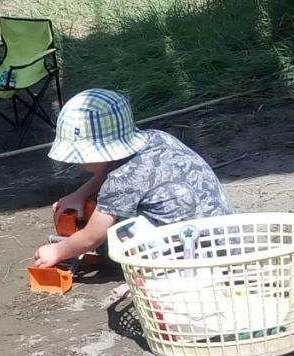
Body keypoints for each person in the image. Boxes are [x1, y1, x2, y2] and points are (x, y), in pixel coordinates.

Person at [32, 89, 232, 272]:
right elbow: (112, 171)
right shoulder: (157, 138)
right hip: (225, 233)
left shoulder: (120, 181)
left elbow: (91, 237)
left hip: (195, 253)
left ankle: (159, 277)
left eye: (80, 158)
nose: (77, 164)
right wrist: (79, 194)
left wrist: (58, 250)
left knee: (122, 230)